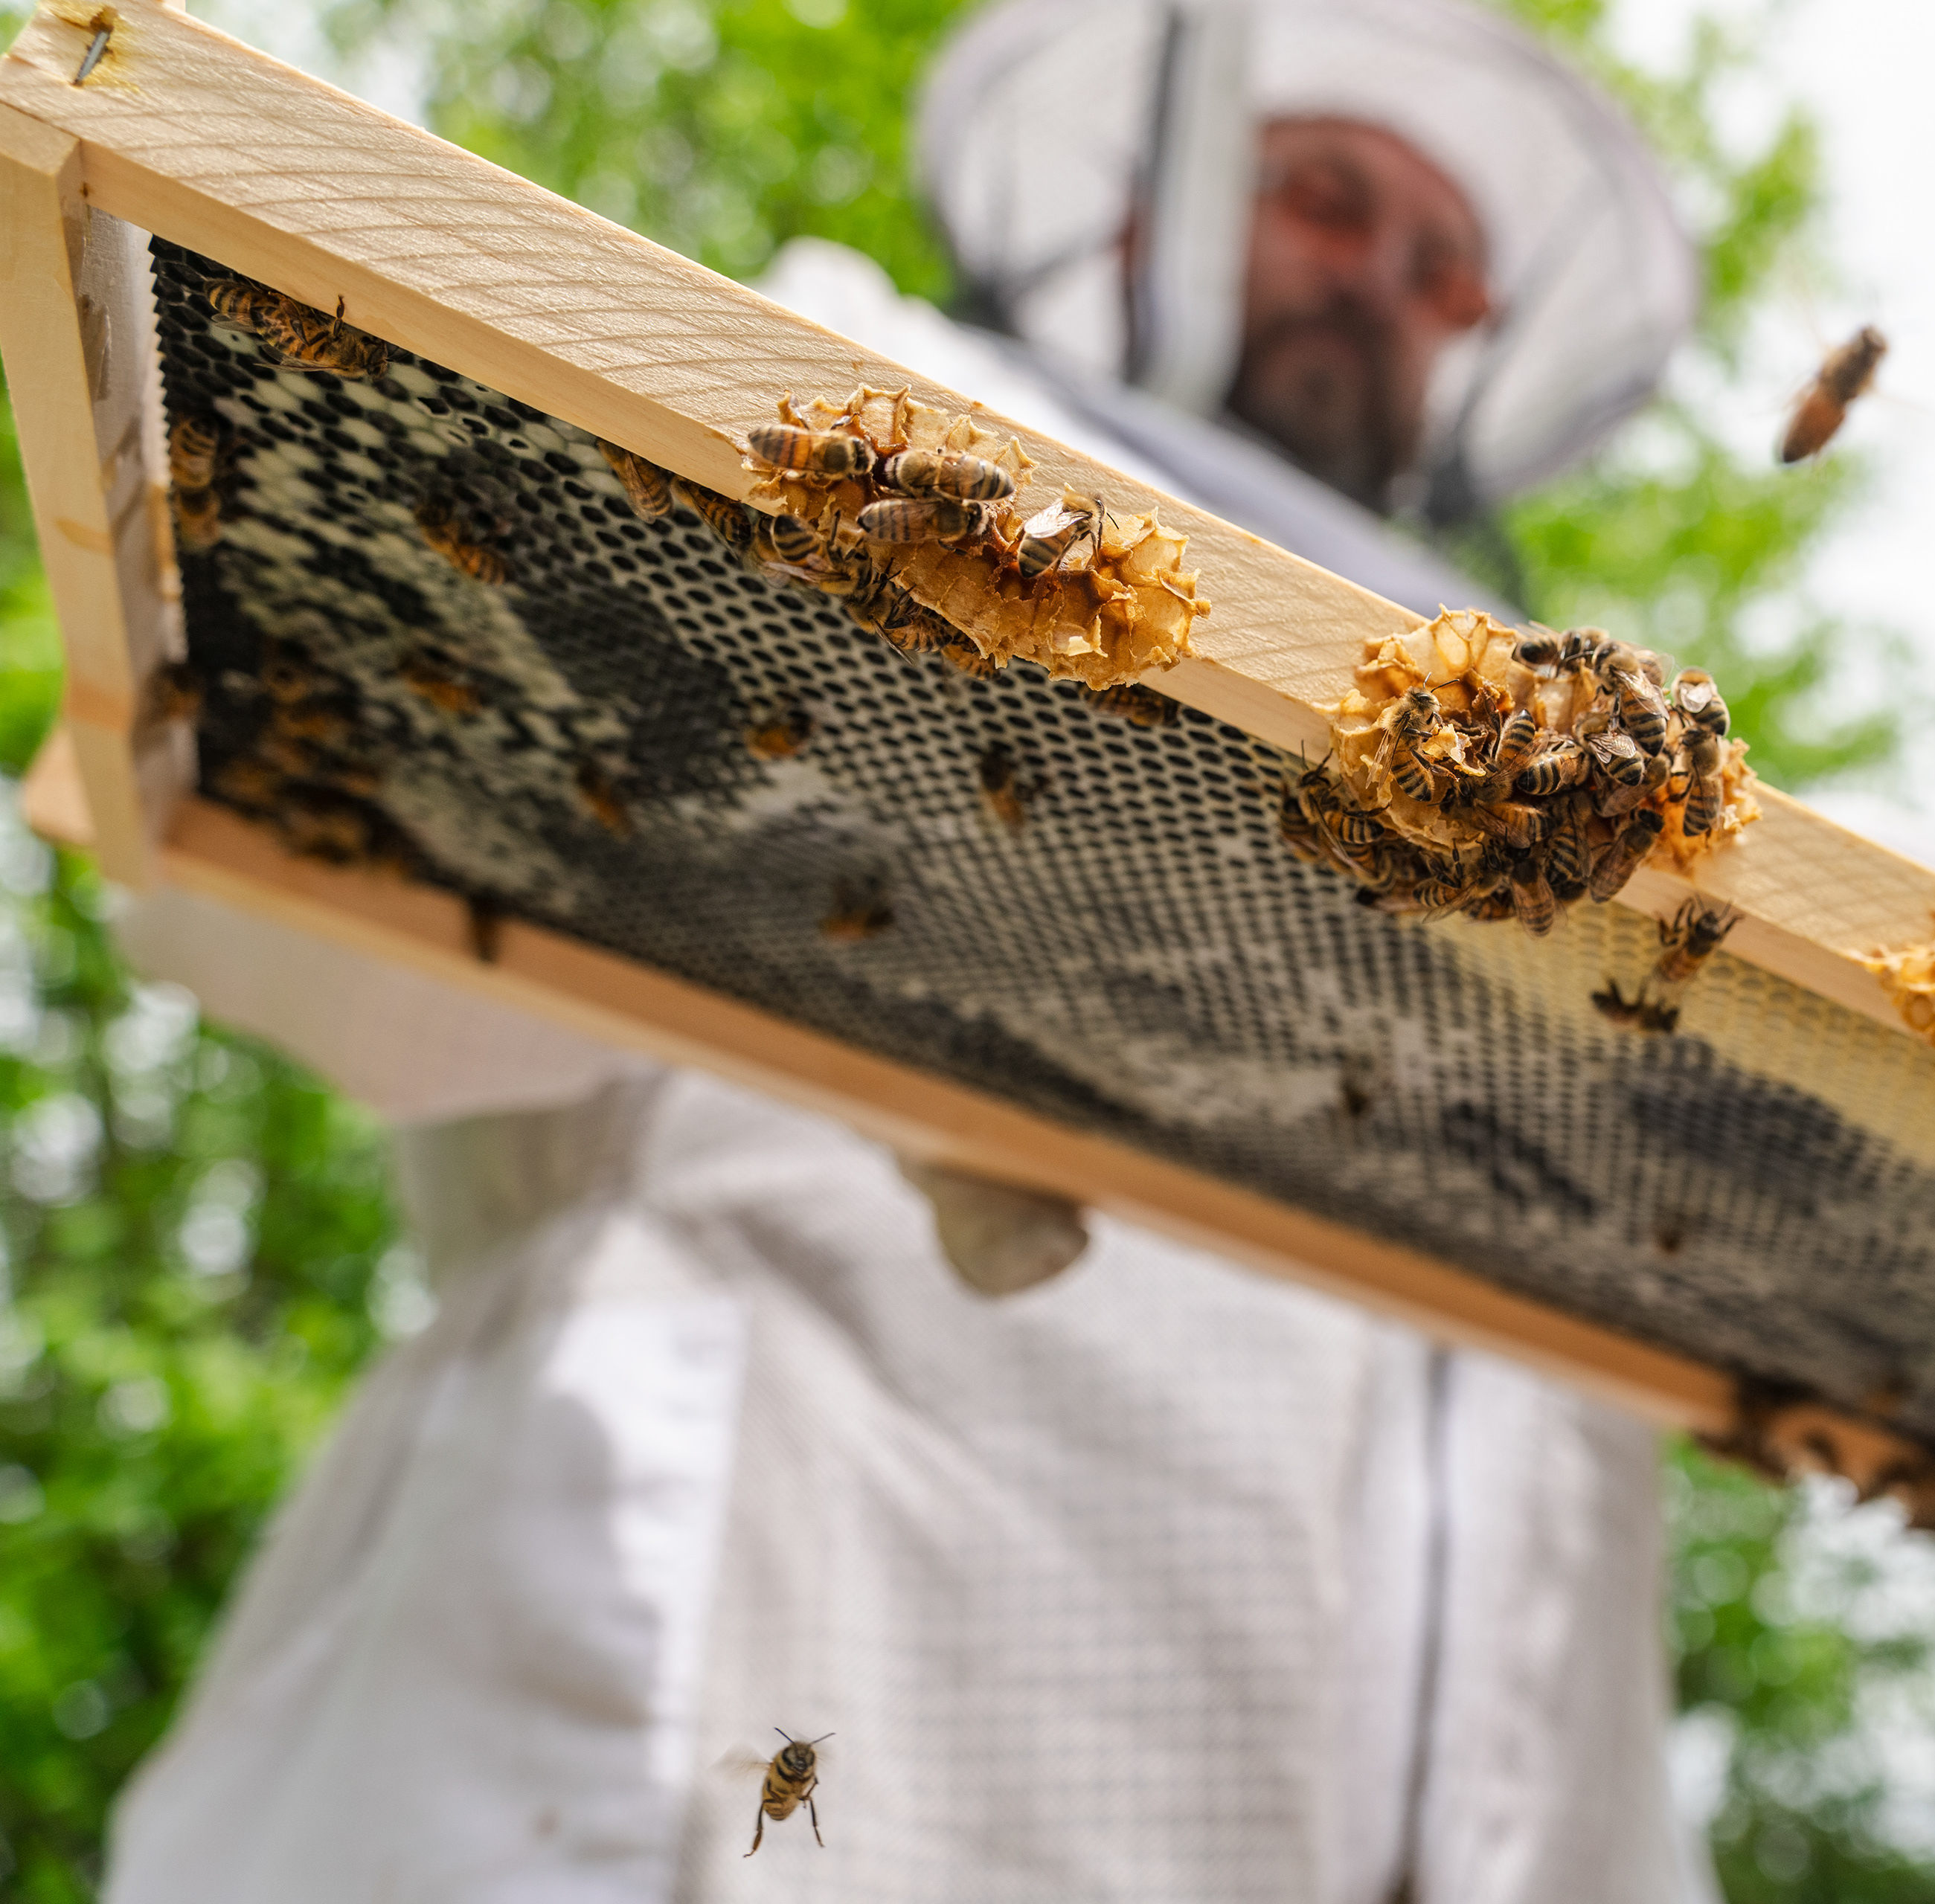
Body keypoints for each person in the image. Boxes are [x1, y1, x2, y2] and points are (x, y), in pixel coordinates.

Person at [102, 3, 1712, 1901]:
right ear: (1142, 216)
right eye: (1323, 195)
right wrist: (852, 937)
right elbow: (293, 882)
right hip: (687, 1732)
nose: (1376, 277)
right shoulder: (870, 394)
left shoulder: (1586, 799)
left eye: (1442, 265)